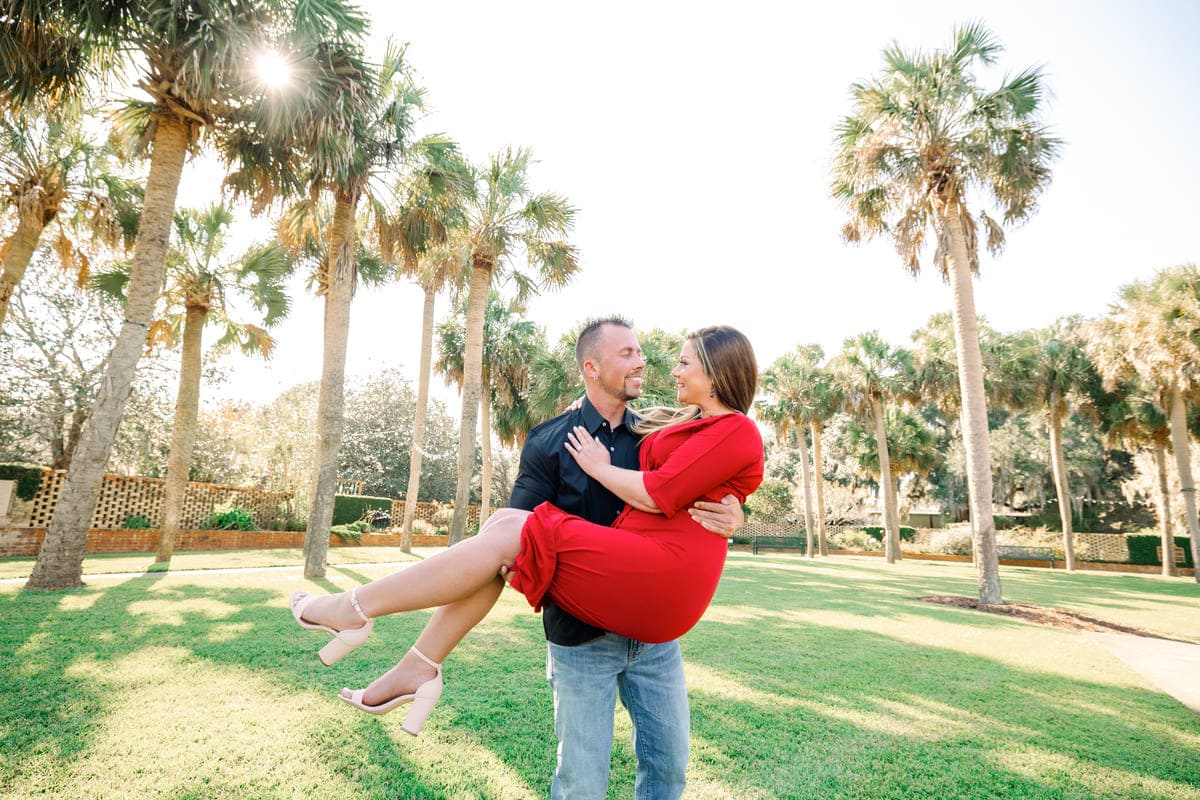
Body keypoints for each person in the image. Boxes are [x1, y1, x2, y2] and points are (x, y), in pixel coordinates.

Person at [291, 323, 762, 794]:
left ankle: (369, 623)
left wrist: (735, 511)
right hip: (582, 636)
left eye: (643, 352)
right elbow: (507, 539)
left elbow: (706, 470)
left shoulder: (655, 429)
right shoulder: (550, 440)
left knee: (668, 769)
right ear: (591, 367)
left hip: (652, 634)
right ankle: (405, 652)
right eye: (628, 353)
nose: (645, 362)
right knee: (580, 781)